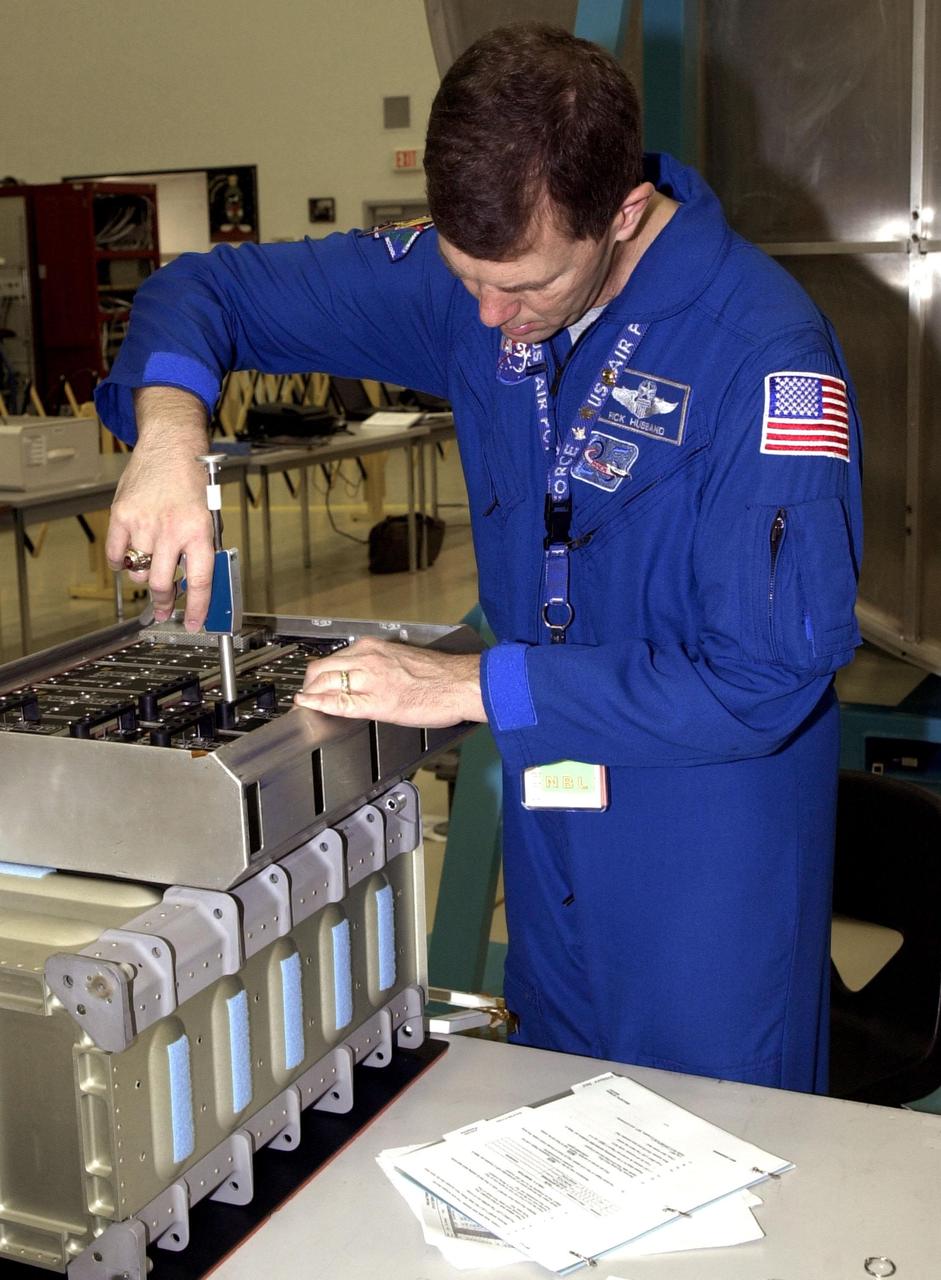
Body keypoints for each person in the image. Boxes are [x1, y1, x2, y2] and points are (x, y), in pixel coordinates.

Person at [97, 23, 862, 1092]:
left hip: (702, 845)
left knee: (717, 1143)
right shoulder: (475, 293)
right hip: (552, 813)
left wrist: (468, 681)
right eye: (468, 280)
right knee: (561, 1115)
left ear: (624, 214)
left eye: (528, 287)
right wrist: (172, 433)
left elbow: (760, 680)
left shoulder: (762, 356)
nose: (493, 321)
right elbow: (207, 291)